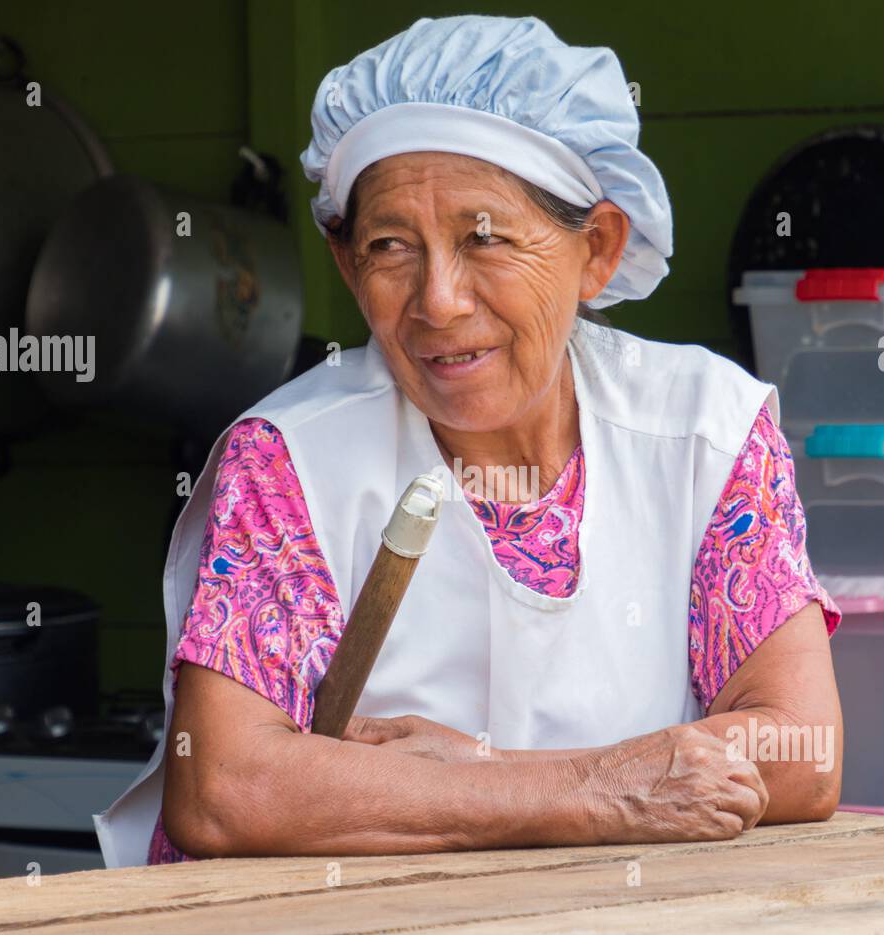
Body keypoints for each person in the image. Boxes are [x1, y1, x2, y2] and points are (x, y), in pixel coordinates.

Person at [94, 14, 842, 868]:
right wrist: (589, 790)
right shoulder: (292, 459)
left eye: (483, 238)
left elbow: (802, 749)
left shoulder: (705, 429)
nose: (438, 301)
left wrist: (486, 775)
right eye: (389, 247)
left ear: (596, 249)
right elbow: (224, 790)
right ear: (347, 265)